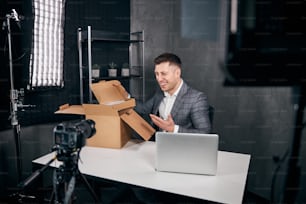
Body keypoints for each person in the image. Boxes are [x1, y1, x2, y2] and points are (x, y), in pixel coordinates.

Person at [135, 52, 211, 137]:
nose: (159, 79)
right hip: (159, 144)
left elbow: (204, 134)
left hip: (182, 148)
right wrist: (125, 96)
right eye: (157, 74)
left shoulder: (197, 98)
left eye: (164, 74)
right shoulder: (159, 93)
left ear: (177, 73)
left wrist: (173, 129)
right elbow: (143, 109)